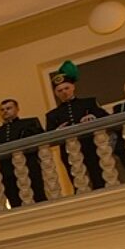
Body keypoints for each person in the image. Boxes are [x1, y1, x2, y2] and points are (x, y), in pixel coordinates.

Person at [45, 60, 110, 190]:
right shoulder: (52, 115)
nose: (64, 92)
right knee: (77, 183)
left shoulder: (89, 103)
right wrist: (57, 131)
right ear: (56, 93)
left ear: (73, 87)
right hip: (68, 151)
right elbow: (48, 137)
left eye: (66, 88)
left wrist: (94, 117)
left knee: (98, 177)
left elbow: (107, 118)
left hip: (91, 146)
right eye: (60, 90)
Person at [0, 97, 47, 206]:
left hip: (30, 167)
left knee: (38, 197)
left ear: (17, 109)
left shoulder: (29, 124)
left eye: (8, 108)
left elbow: (41, 143)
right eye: (2, 109)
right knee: (15, 201)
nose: (5, 111)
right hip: (8, 172)